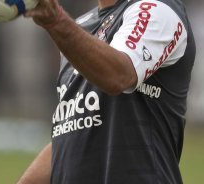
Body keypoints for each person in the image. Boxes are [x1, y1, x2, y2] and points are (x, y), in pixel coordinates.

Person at [17, 0, 196, 183]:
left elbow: (118, 75)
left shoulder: (157, 10)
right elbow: (74, 127)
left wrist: (56, 21)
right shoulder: (80, 26)